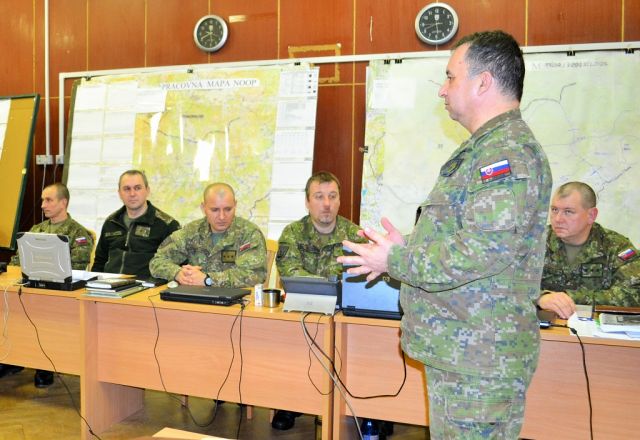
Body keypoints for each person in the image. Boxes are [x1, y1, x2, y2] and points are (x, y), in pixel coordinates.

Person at [338, 31, 552, 438]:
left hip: (478, 358)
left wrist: (395, 260)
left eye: (451, 77)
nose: (442, 89)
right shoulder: (486, 148)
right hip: (466, 351)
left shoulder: (504, 154)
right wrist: (409, 247)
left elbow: (484, 249)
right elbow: (473, 237)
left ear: (483, 82)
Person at [272, 171, 366, 431]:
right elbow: (290, 271)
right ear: (307, 202)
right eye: (319, 197)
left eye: (332, 196)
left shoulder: (354, 235)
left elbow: (358, 276)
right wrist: (330, 284)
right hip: (302, 310)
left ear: (339, 201)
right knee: (283, 341)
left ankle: (363, 410)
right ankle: (290, 402)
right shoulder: (293, 232)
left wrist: (325, 286)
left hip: (342, 312)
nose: (326, 203)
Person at [5, 182, 93, 388]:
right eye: (43, 200)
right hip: (31, 288)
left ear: (63, 202)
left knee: (45, 318)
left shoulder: (78, 233)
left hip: (58, 295)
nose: (43, 205)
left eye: (49, 200)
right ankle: (10, 358)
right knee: (9, 312)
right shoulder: (37, 229)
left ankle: (45, 365)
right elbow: (17, 260)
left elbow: (78, 266)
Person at [538, 181, 640, 319]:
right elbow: (509, 283)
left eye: (568, 212)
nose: (558, 219)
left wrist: (570, 298)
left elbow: (634, 293)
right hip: (546, 326)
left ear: (591, 215)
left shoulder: (616, 246)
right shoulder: (534, 242)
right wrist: (540, 297)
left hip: (595, 328)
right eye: (554, 210)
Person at [149, 182, 266, 287]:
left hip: (235, 300)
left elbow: (255, 275)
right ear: (203, 208)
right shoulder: (191, 231)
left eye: (228, 209)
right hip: (196, 298)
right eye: (215, 210)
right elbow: (157, 261)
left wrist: (208, 280)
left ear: (235, 205)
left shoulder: (249, 233)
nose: (222, 216)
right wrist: (178, 273)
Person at [91, 170, 180, 278]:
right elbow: (100, 262)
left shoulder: (167, 225)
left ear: (147, 190)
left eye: (137, 188)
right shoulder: (111, 222)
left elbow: (176, 266)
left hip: (146, 286)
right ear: (119, 193)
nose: (132, 194)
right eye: (127, 189)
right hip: (108, 284)